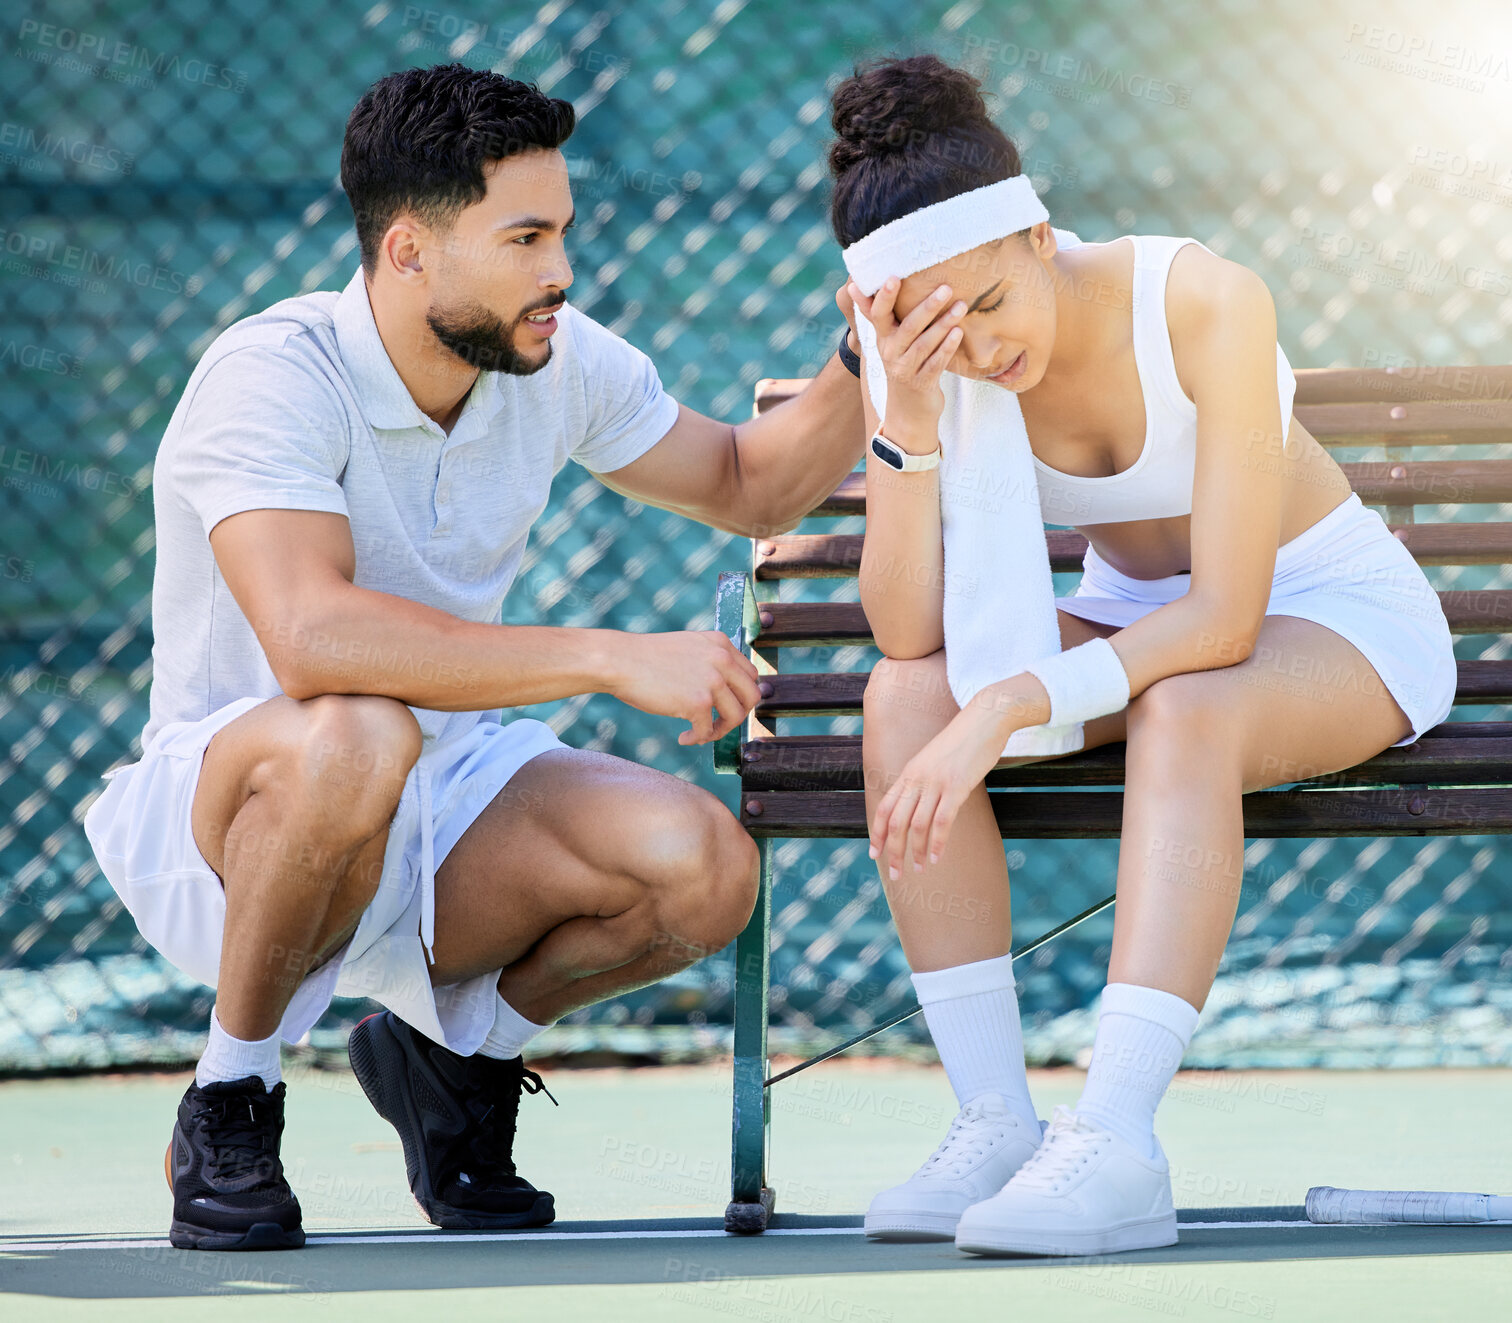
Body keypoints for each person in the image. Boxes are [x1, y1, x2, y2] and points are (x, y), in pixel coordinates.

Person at [82, 61, 870, 1251]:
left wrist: (867, 357)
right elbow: (312, 638)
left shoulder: (554, 357)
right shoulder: (272, 373)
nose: (559, 269)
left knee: (701, 871)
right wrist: (606, 655)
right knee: (358, 726)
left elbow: (748, 481)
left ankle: (451, 1056)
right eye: (525, 237)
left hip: (445, 794)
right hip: (234, 810)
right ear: (410, 251)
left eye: (562, 231)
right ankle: (232, 1094)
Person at [826, 54, 1457, 1257]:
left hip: (1325, 619)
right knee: (904, 695)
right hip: (1137, 630)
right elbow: (909, 632)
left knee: (1189, 711)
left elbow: (1222, 622)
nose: (980, 353)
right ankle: (996, 1123)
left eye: (994, 309)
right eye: (942, 337)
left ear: (1040, 235)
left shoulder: (1202, 299)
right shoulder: (925, 359)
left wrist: (1016, 694)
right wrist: (905, 425)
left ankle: (1117, 1139)